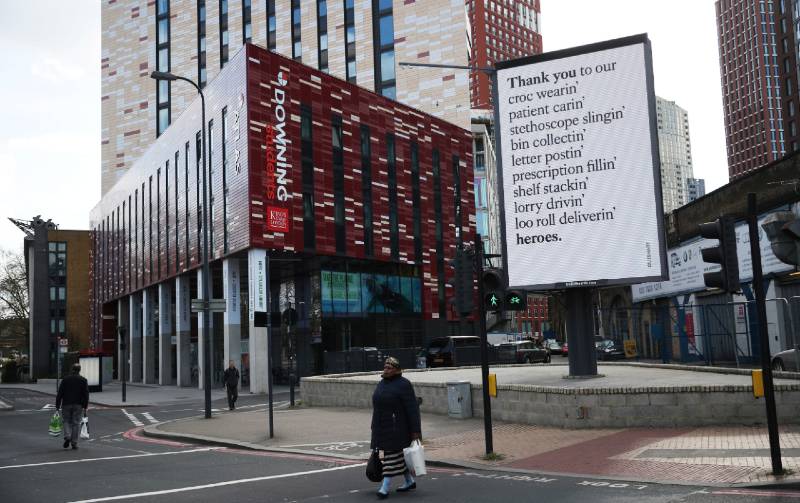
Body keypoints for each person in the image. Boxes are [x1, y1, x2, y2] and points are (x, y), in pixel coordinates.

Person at [370, 356, 421, 499]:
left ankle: (384, 488)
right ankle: (409, 481)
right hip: (381, 427)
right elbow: (377, 407)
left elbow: (412, 409)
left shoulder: (404, 384)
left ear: (397, 370)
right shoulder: (382, 383)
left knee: (391, 458)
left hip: (398, 428)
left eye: (389, 368)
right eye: (385, 367)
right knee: (397, 457)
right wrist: (374, 427)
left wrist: (415, 431)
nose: (386, 370)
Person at [55, 363, 89, 450]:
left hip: (66, 403)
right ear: (79, 370)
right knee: (76, 423)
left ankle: (67, 436)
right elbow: (86, 394)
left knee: (66, 421)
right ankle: (74, 443)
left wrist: (57, 406)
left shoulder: (65, 379)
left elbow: (60, 393)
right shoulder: (83, 380)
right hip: (78, 405)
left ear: (72, 369)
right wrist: (85, 407)